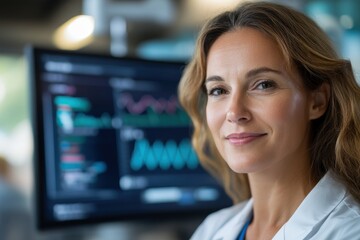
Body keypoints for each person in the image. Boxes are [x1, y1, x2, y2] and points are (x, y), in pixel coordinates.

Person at [178, 1, 360, 239]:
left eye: (263, 85)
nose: (234, 112)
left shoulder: (350, 230)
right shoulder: (212, 230)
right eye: (219, 90)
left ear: (317, 101)